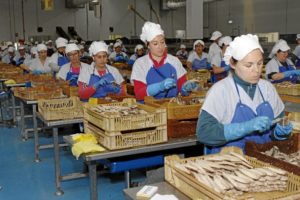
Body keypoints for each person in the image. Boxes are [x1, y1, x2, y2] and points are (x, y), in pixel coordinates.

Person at [196, 34, 292, 154]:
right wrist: (245, 127)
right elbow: (204, 133)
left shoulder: (267, 89)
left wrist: (279, 133)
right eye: (249, 65)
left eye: (259, 63)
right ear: (232, 63)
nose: (256, 70)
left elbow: (278, 124)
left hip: (263, 161)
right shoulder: (221, 91)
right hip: (229, 164)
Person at [131, 21, 197, 102]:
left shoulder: (174, 61)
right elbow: (139, 94)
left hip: (171, 106)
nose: (160, 47)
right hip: (148, 108)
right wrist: (159, 87)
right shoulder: (141, 63)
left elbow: (181, 87)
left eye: (162, 42)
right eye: (155, 44)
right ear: (147, 45)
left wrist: (185, 89)